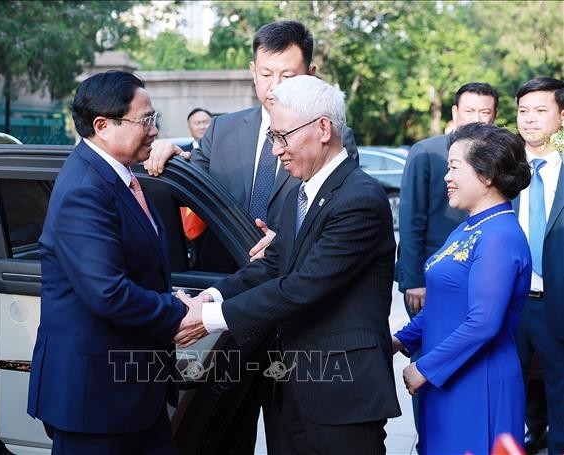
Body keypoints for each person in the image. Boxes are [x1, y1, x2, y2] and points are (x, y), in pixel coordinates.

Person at [174, 75, 401, 454]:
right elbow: (271, 264)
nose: (276, 150)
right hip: (293, 385)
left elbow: (303, 287)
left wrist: (210, 318)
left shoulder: (359, 199)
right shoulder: (302, 190)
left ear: (323, 129)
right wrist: (208, 296)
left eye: (282, 136)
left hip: (342, 394)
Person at [27, 71, 187, 454]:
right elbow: (109, 292)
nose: (154, 129)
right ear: (102, 126)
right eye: (145, 120)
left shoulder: (117, 177)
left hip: (130, 393)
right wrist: (179, 312)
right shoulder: (86, 190)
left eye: (154, 118)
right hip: (95, 398)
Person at [144, 20, 359, 261]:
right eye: (266, 74)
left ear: (311, 75)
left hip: (289, 277)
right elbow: (187, 191)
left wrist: (283, 244)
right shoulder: (220, 130)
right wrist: (170, 159)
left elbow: (334, 218)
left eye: (288, 76)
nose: (275, 87)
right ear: (253, 71)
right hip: (219, 279)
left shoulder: (331, 137)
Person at [393, 123, 532, 454]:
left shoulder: (499, 236)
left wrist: (424, 368)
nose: (446, 177)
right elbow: (442, 303)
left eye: (454, 167)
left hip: (478, 381)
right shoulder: (469, 228)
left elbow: (484, 322)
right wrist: (401, 339)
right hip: (448, 376)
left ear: (486, 176)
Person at [394, 82, 498, 437]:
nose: (478, 119)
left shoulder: (496, 156)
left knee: (469, 355)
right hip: (432, 277)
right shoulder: (427, 152)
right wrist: (413, 279)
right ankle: (429, 433)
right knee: (428, 352)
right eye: (470, 111)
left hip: (482, 272)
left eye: (486, 112)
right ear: (455, 113)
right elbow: (411, 219)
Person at [514, 77, 564, 455]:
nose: (529, 120)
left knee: (559, 385)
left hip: (555, 302)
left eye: (540, 111)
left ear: (561, 116)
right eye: (523, 111)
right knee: (507, 385)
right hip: (510, 300)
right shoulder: (505, 171)